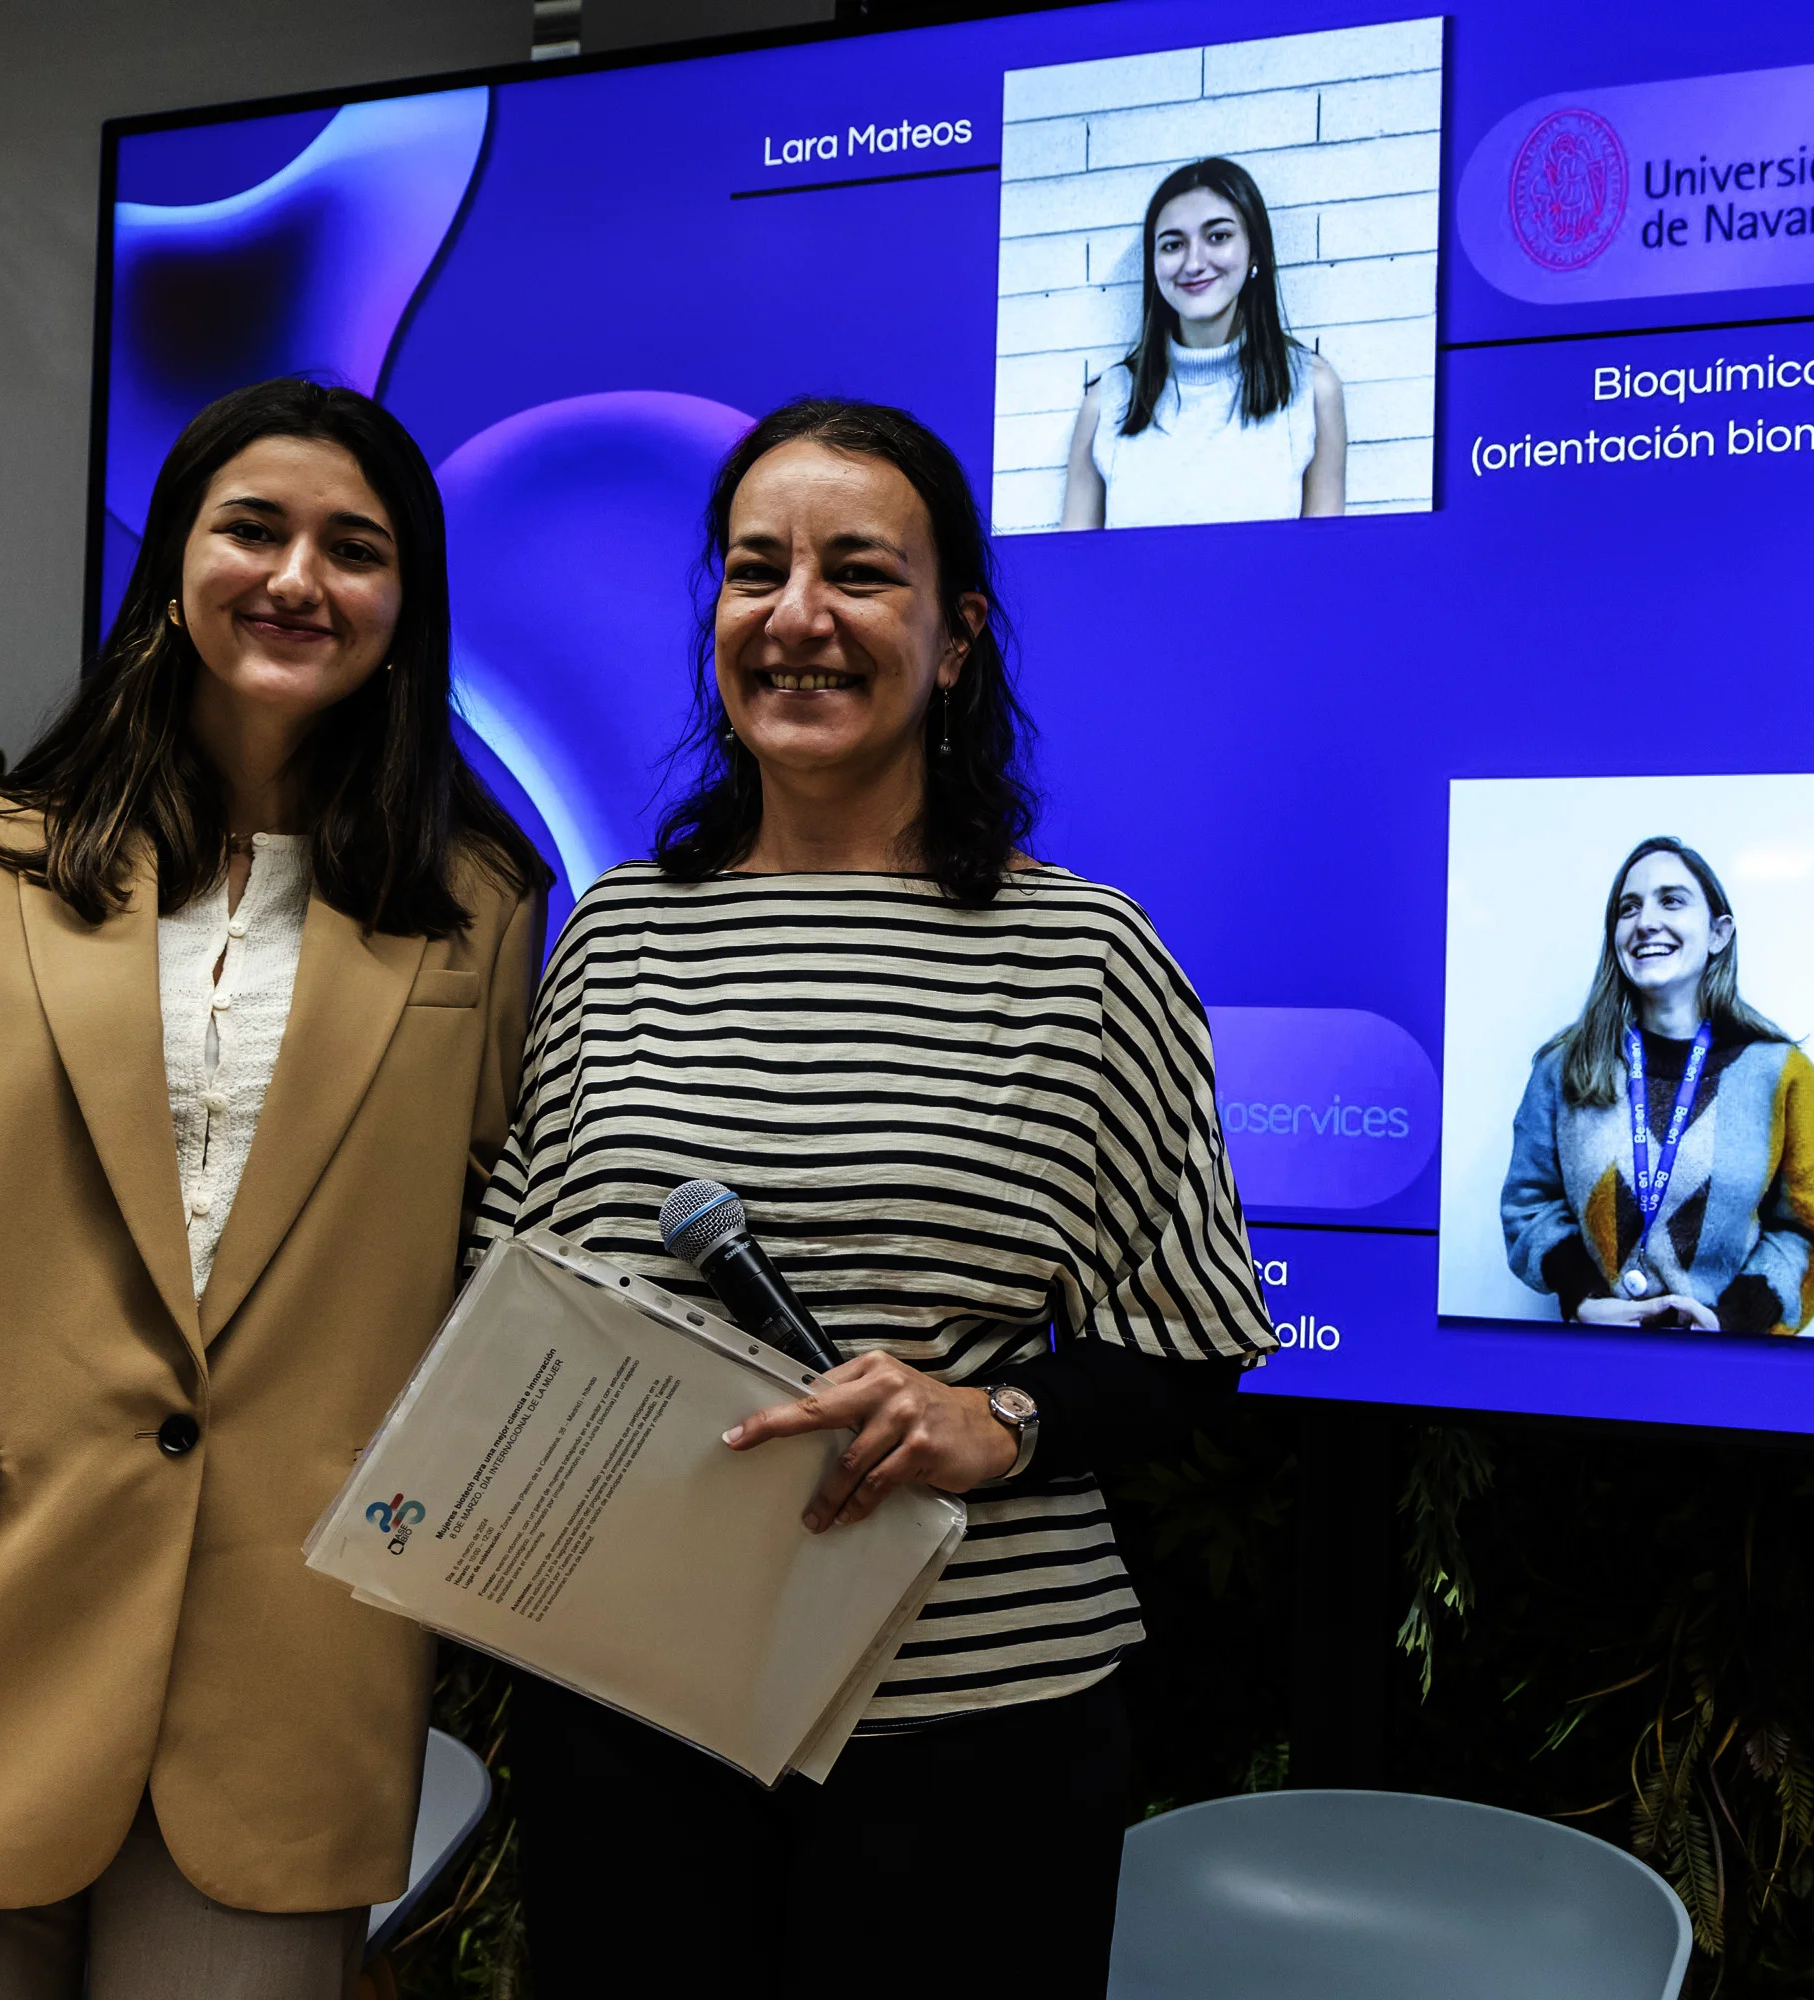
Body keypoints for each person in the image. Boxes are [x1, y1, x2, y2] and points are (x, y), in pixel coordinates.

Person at [0, 378, 549, 1999]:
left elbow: (489, 1285)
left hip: (291, 1675)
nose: (301, 576)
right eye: (255, 529)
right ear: (173, 564)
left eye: (356, 549)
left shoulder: (481, 908)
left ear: (404, 608)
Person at [473, 397, 1276, 1996]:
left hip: (972, 1726)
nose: (799, 618)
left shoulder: (1089, 958)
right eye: (755, 571)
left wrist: (1003, 1421)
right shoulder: (622, 931)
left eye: (860, 574)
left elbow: (1190, 1347)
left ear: (958, 635)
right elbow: (517, 1295)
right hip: (636, 1699)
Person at [1500, 837, 1814, 1335]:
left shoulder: (1781, 1073)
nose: (1645, 921)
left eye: (1671, 900)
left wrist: (1731, 1322)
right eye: (1627, 908)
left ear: (1719, 934)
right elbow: (1529, 1204)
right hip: (1589, 1366)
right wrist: (1585, 1295)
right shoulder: (1563, 1067)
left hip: (1725, 1378)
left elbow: (1800, 1231)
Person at [1061, 155, 1346, 530]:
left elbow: (1322, 567)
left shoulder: (1312, 388)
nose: (1194, 263)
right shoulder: (1106, 401)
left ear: (1254, 252)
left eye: (1218, 237)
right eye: (1173, 245)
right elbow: (1074, 571)